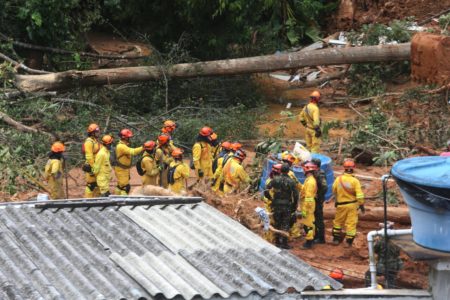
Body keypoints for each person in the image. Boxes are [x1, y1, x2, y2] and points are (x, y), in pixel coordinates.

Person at [332, 159, 365, 247]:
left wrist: (337, 200)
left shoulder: (338, 179)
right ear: (353, 168)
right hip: (352, 205)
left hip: (340, 205)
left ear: (344, 168)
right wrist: (361, 205)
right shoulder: (355, 181)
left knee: (338, 222)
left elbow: (334, 190)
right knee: (351, 223)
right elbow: (360, 195)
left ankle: (335, 239)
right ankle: (348, 242)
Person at [265, 163, 299, 249]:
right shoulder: (291, 181)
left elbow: (266, 190)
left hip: (276, 204)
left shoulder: (275, 180)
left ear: (280, 170)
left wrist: (271, 199)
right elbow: (296, 195)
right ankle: (284, 242)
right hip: (287, 205)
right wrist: (294, 206)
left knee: (277, 222)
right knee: (285, 223)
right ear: (288, 171)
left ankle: (277, 241)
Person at [365, 224, 403, 288]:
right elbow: (398, 252)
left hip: (384, 265)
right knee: (391, 280)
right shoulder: (396, 241)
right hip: (395, 265)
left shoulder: (381, 240)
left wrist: (376, 240)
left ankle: (370, 289)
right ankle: (392, 294)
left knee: (368, 274)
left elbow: (374, 249)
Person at [113, 129, 143, 195]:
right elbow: (133, 152)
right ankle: (123, 203)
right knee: (125, 187)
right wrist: (143, 147)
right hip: (121, 170)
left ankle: (116, 198)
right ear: (125, 137)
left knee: (120, 186)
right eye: (128, 137)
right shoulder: (121, 146)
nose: (129, 138)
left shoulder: (123, 145)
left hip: (123, 169)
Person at [281, 153, 303, 240]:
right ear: (290, 163)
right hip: (288, 199)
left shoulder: (278, 169)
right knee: (291, 216)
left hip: (279, 199)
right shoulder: (290, 174)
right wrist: (304, 189)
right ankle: (294, 234)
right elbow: (297, 185)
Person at [262, 163, 282, 243]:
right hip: (271, 205)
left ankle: (268, 238)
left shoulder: (269, 179)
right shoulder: (275, 182)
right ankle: (269, 240)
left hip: (267, 203)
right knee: (271, 222)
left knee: (267, 221)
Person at [300, 161, 318, 249]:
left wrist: (305, 209)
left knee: (308, 224)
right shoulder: (309, 180)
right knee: (309, 223)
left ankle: (309, 242)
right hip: (308, 205)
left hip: (308, 206)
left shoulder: (310, 182)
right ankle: (310, 240)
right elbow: (304, 189)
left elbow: (309, 198)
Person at [83, 123, 101, 198]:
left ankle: (97, 200)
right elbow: (89, 156)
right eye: (96, 132)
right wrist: (93, 167)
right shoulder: (89, 142)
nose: (98, 133)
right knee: (91, 185)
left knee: (97, 184)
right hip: (91, 166)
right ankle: (87, 201)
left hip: (96, 165)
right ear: (92, 133)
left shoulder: (95, 141)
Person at [312, 158, 327, 244]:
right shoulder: (316, 172)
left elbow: (324, 186)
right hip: (316, 199)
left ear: (316, 165)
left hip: (318, 200)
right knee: (315, 218)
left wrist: (319, 196)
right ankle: (316, 235)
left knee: (319, 218)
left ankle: (321, 238)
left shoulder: (320, 173)